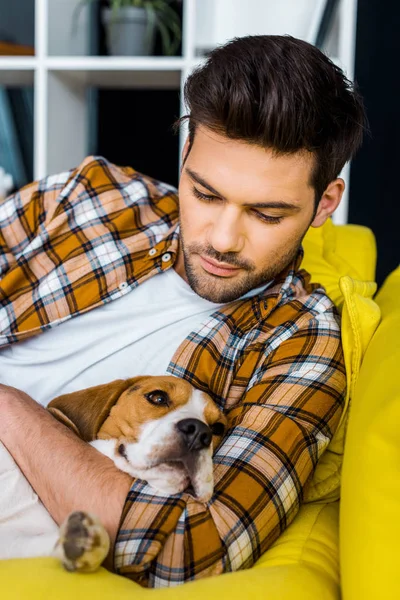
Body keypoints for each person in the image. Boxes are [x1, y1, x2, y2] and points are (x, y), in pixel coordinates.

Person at [0, 35, 365, 587]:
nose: (222, 239)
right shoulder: (91, 195)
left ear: (326, 203)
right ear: (186, 152)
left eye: (267, 215)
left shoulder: (300, 346)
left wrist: (8, 407)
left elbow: (188, 551)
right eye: (205, 193)